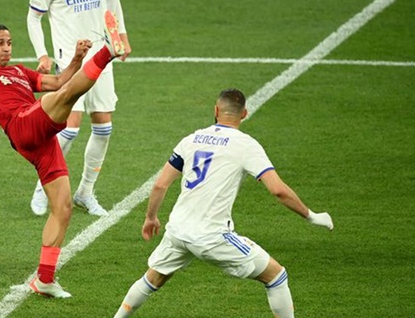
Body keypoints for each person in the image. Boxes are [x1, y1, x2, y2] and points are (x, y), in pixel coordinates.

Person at [0, 14, 125, 298]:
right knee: (65, 97)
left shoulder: (19, 71)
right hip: (22, 125)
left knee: (63, 208)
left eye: (10, 43)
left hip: (42, 139)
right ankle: (108, 51)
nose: (7, 48)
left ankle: (44, 280)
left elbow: (59, 80)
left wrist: (77, 58)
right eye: (0, 43)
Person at [113, 88, 335, 318]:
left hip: (178, 231)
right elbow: (278, 190)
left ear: (216, 110)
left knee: (153, 278)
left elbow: (160, 185)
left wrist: (150, 217)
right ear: (244, 113)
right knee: (276, 276)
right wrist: (310, 215)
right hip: (212, 236)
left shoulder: (191, 139)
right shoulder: (246, 145)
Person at [27, 0, 132, 217]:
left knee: (104, 127)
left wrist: (121, 36)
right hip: (69, 61)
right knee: (69, 129)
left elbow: (112, 0)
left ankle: (85, 193)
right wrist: (43, 54)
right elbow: (33, 17)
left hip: (102, 55)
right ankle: (42, 187)